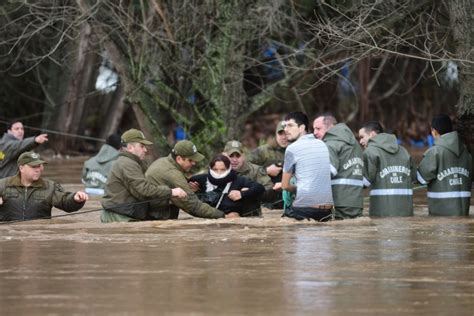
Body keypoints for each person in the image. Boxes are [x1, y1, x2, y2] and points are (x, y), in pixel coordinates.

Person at [101, 129, 187, 223]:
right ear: (130, 148)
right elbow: (144, 190)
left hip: (125, 214)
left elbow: (148, 187)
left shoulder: (134, 163)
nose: (145, 150)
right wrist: (171, 192)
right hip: (119, 217)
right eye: (142, 146)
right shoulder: (127, 164)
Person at [146, 140, 227, 219]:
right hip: (155, 218)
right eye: (190, 160)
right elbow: (193, 206)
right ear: (179, 159)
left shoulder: (164, 161)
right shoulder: (173, 173)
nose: (194, 163)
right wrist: (222, 215)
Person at [0, 151, 88, 221]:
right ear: (21, 168)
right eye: (34, 166)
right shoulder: (3, 184)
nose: (38, 170)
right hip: (10, 235)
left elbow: (64, 201)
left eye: (39, 166)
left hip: (37, 237)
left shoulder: (50, 186)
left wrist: (75, 199)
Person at [281, 111, 333, 221]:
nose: (285, 129)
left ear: (302, 128)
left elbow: (285, 186)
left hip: (304, 209)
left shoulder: (292, 148)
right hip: (327, 210)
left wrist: (298, 188)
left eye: (290, 125)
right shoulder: (322, 144)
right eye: (284, 126)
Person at [417, 114, 472, 216]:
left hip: (441, 216)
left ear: (434, 131)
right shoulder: (467, 152)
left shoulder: (435, 151)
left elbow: (420, 178)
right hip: (464, 213)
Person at [359, 121, 416, 217]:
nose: (360, 141)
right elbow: (415, 178)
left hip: (381, 214)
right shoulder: (404, 151)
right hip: (406, 214)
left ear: (372, 134)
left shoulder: (370, 151)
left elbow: (365, 182)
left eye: (362, 137)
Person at [313, 113, 364, 219]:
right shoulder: (355, 143)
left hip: (339, 201)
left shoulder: (330, 143)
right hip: (356, 202)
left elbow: (328, 173)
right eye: (314, 129)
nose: (314, 133)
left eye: (318, 129)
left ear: (330, 127)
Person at [190, 154, 265, 217]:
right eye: (215, 169)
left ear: (228, 169)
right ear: (210, 168)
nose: (219, 173)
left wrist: (241, 194)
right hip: (211, 218)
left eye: (223, 170)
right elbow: (184, 183)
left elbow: (260, 188)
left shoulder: (238, 180)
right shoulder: (201, 179)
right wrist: (196, 191)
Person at [222, 140, 278, 213]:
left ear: (243, 156)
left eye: (238, 156)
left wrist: (249, 193)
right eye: (231, 156)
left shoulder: (256, 170)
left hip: (251, 215)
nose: (234, 160)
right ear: (223, 155)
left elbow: (270, 193)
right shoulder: (216, 169)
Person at [249, 121, 287, 208]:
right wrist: (266, 170)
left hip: (289, 196)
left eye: (286, 134)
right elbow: (246, 169)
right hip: (267, 198)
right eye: (281, 134)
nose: (284, 137)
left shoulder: (296, 150)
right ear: (276, 134)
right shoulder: (263, 151)